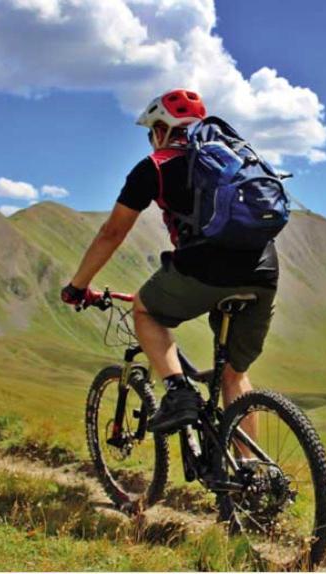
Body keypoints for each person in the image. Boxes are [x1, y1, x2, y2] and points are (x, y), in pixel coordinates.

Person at [60, 89, 278, 435]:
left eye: (151, 133)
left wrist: (77, 287)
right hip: (263, 271)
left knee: (145, 310)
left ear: (161, 130)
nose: (151, 140)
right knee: (234, 376)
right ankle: (249, 465)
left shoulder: (155, 166)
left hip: (204, 268)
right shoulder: (237, 159)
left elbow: (111, 233)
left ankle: (178, 393)